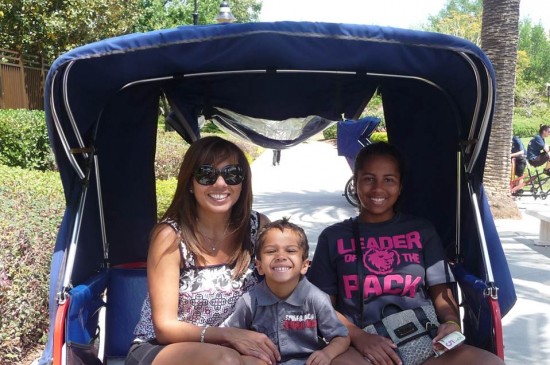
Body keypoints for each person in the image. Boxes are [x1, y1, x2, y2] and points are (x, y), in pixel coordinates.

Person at [307, 142, 505, 365]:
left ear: (400, 186)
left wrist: (451, 324)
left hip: (424, 339)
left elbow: (441, 292)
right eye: (369, 178)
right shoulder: (333, 237)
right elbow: (322, 306)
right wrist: (359, 337)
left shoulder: (422, 231)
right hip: (361, 347)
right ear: (355, 184)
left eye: (389, 179)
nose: (378, 188)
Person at [126, 136, 280, 365]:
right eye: (206, 174)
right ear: (190, 183)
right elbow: (164, 327)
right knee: (225, 361)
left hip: (228, 348)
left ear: (242, 182)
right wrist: (229, 335)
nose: (220, 184)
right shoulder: (170, 236)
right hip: (163, 348)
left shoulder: (257, 228)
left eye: (232, 174)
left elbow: (289, 284)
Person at [222, 218, 350, 365]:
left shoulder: (316, 298)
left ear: (304, 265)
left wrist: (327, 354)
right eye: (271, 251)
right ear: (259, 266)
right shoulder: (250, 301)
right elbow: (231, 335)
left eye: (290, 250)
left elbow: (342, 336)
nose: (281, 256)